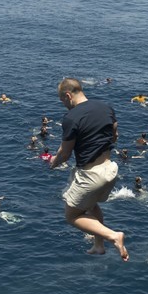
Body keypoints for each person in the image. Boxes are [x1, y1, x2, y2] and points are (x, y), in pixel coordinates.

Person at [49, 78, 127, 261]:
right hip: (110, 170)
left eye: (63, 101)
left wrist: (54, 162)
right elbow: (114, 136)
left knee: (72, 215)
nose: (64, 106)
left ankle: (113, 236)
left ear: (68, 95)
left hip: (90, 175)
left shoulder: (71, 118)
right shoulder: (106, 108)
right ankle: (98, 245)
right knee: (91, 206)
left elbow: (65, 153)